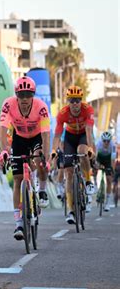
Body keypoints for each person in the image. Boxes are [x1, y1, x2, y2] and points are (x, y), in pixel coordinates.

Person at [0, 75, 50, 241]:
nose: (25, 99)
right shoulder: (8, 104)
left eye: (28, 95)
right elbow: (2, 128)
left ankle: (41, 190)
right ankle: (18, 222)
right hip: (19, 138)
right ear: (16, 96)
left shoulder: (41, 107)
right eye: (21, 95)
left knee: (38, 161)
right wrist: (4, 151)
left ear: (33, 96)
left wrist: (45, 156)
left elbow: (46, 135)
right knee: (18, 179)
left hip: (36, 138)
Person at [51, 86, 95, 225]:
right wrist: (53, 150)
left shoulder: (87, 109)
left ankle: (88, 181)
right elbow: (57, 135)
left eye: (77, 100)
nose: (75, 104)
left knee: (83, 151)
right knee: (69, 173)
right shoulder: (63, 113)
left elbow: (89, 131)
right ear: (68, 101)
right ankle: (71, 210)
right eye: (72, 101)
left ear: (81, 101)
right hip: (70, 137)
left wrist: (91, 149)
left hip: (83, 136)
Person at [95, 131, 116, 211]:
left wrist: (112, 169)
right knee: (95, 167)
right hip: (100, 158)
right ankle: (95, 184)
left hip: (108, 160)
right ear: (102, 140)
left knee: (109, 179)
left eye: (108, 141)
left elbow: (113, 160)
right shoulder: (98, 144)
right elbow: (95, 156)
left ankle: (107, 202)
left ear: (110, 141)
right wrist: (96, 165)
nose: (106, 143)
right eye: (104, 141)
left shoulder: (113, 146)